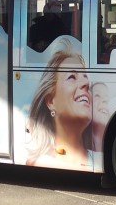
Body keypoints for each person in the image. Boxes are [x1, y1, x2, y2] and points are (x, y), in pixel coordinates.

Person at [26, 35, 92, 167]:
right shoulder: (38, 162)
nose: (86, 82)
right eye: (72, 77)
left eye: (85, 76)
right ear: (50, 101)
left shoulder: (100, 158)